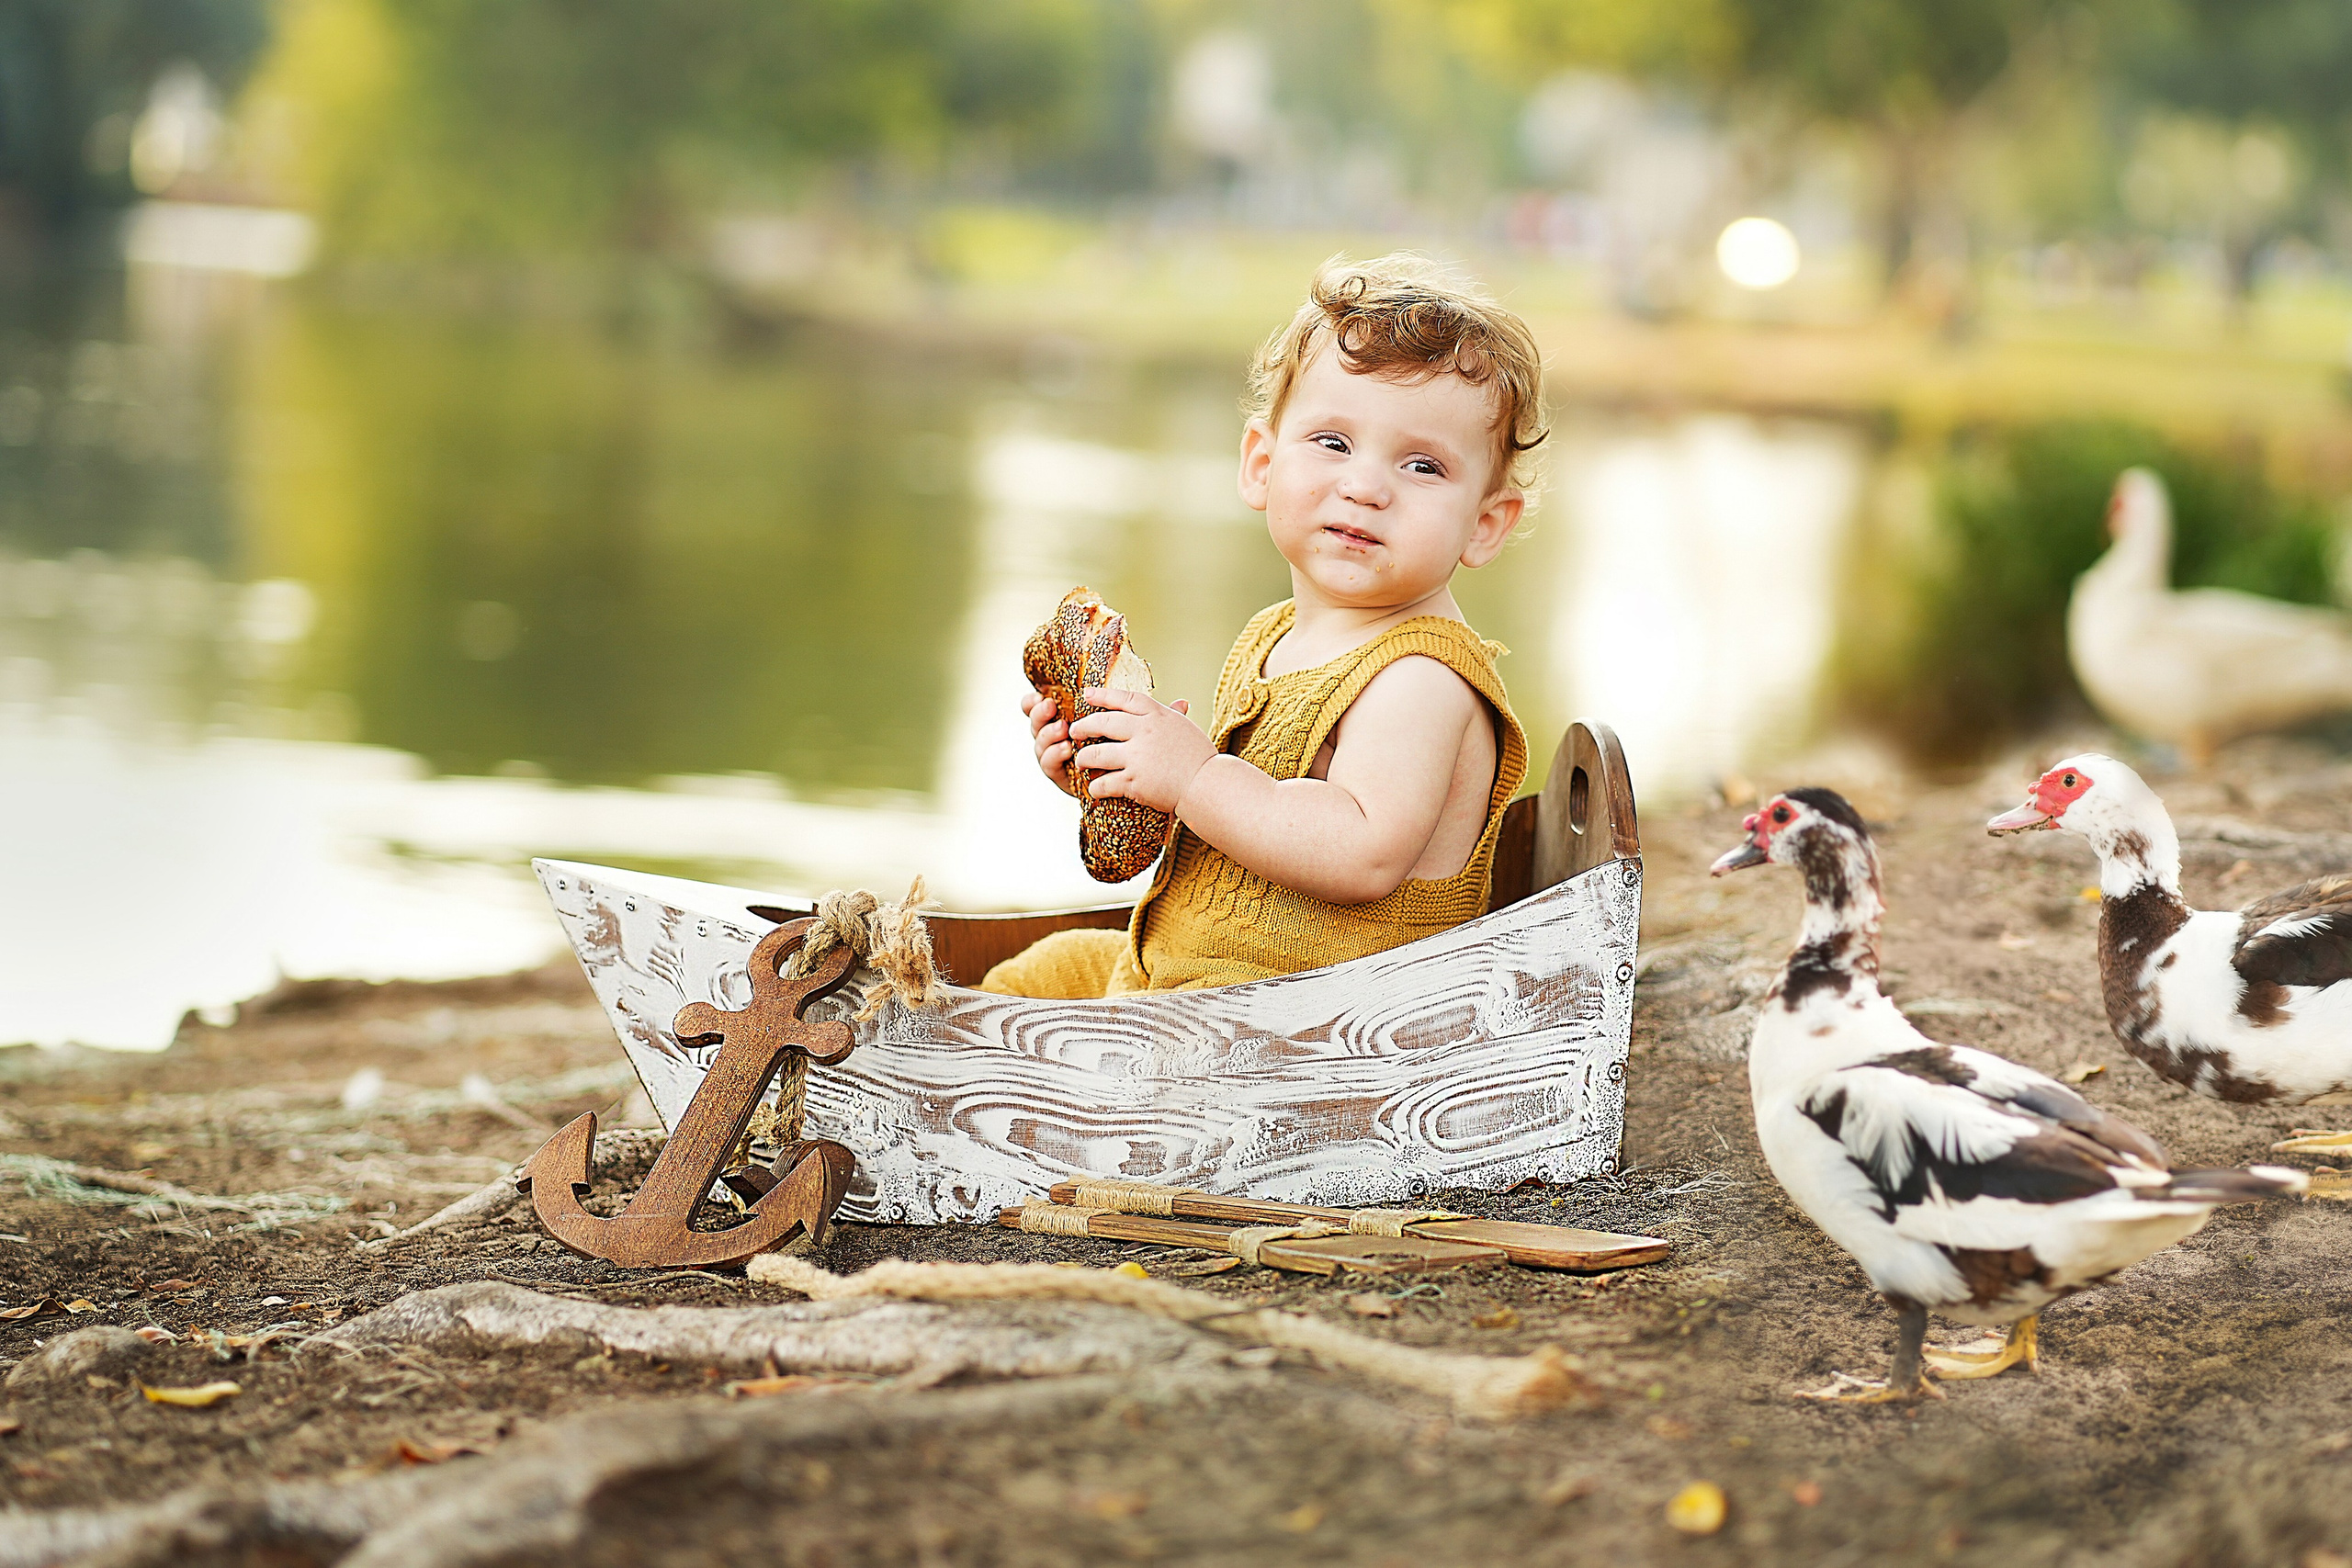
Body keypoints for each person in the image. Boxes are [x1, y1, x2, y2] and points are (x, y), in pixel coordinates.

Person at [982, 254, 1544, 998]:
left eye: (1423, 467)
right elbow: (1242, 839)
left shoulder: (1421, 679)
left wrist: (1193, 774)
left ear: (1485, 524)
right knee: (1035, 975)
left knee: (1035, 1032)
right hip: (1209, 981)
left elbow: (1360, 851)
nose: (1366, 486)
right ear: (1260, 464)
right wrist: (1122, 777)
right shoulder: (1274, 638)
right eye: (1334, 443)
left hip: (1319, 1021)